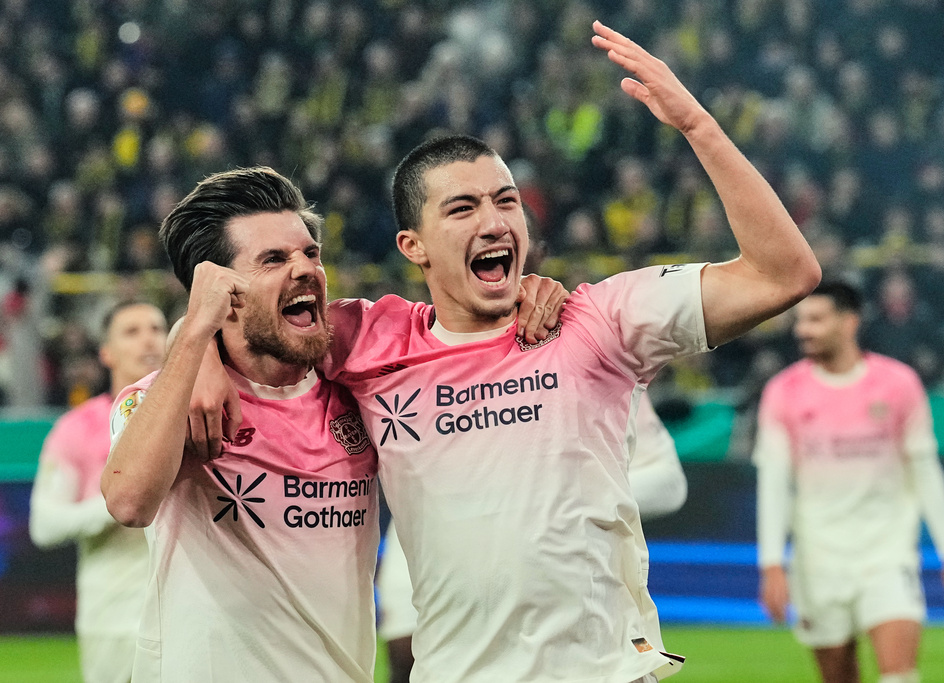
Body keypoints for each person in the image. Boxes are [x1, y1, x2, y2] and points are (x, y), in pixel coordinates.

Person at [193, 21, 819, 682]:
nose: (493, 222)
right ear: (414, 246)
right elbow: (243, 309)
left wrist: (698, 126)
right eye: (462, 209)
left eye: (507, 202)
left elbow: (782, 275)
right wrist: (204, 351)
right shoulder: (368, 337)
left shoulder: (596, 319)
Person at [100, 168, 381, 683]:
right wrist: (192, 337)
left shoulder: (359, 387)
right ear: (218, 288)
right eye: (273, 259)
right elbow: (128, 502)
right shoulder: (164, 400)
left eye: (310, 252)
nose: (305, 269)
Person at [754, 280, 944, 683]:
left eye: (815, 319)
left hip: (888, 553)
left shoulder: (898, 384)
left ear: (848, 322)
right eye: (800, 320)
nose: (802, 329)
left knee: (899, 675)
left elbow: (926, 471)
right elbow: (774, 483)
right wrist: (772, 564)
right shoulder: (782, 392)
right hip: (817, 559)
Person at [376, 393, 689, 683]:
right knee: (407, 662)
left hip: (558, 569)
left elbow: (668, 483)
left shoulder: (593, 347)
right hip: (428, 552)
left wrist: (551, 494)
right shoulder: (406, 354)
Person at [29, 301, 167, 683]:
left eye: (157, 328)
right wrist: (125, 497)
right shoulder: (77, 428)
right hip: (113, 619)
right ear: (106, 352)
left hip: (186, 612)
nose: (149, 339)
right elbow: (45, 525)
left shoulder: (199, 414)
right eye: (132, 331)